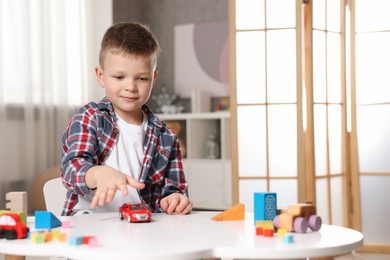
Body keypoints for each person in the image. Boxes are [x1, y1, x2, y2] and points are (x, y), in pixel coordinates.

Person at [60, 22, 192, 216]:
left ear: (154, 79)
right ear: (101, 76)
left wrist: (176, 200)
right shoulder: (89, 118)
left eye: (142, 78)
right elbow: (71, 170)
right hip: (91, 225)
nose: (130, 86)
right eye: (119, 77)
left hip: (143, 229)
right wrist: (98, 174)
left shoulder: (166, 137)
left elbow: (175, 189)